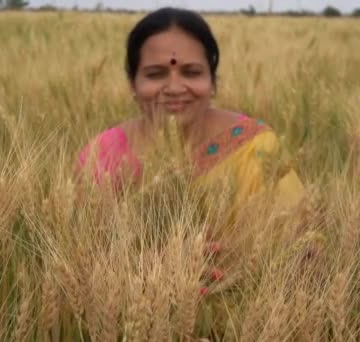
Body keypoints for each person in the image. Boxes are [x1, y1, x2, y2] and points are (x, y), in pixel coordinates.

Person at [76, 7, 304, 244]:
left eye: (192, 73)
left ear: (212, 82)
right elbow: (83, 249)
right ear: (133, 84)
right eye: (155, 74)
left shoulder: (254, 147)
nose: (174, 88)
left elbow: (298, 250)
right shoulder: (102, 155)